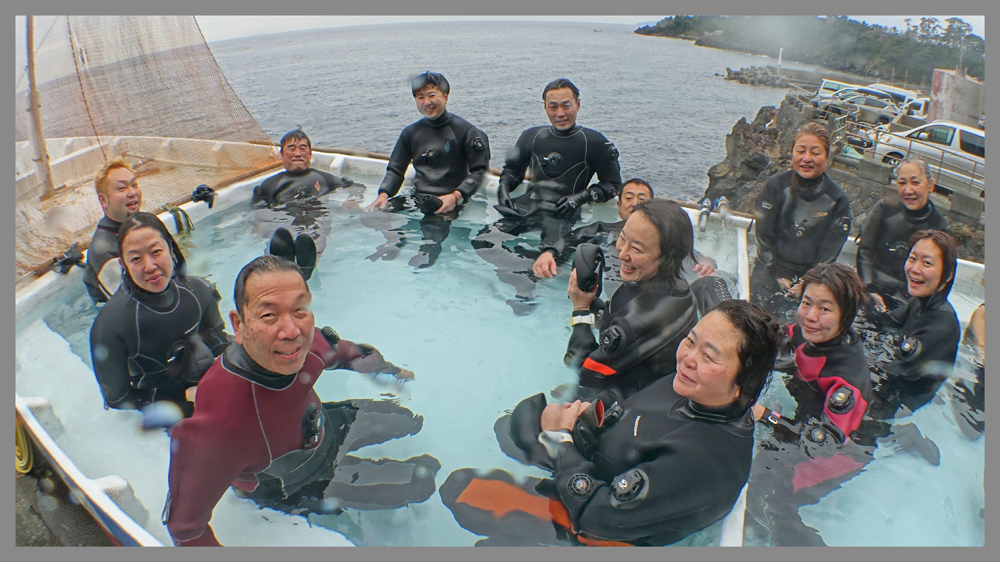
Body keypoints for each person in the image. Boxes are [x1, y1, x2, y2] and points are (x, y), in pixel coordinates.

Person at [440, 299, 782, 546]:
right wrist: (582, 418)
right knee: (512, 426)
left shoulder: (705, 459)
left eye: (708, 356)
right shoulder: (695, 388)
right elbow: (629, 408)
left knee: (459, 493)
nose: (688, 358)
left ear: (741, 386)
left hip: (608, 529)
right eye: (690, 340)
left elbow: (597, 517)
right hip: (602, 466)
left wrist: (563, 442)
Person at [164, 256, 435, 547]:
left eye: (299, 310)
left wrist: (390, 370)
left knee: (405, 418)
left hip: (324, 429)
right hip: (298, 485)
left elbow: (342, 352)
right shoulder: (221, 422)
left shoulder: (300, 345)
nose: (291, 331)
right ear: (239, 326)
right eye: (269, 316)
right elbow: (185, 529)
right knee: (421, 481)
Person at [748, 262, 875, 546]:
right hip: (808, 418)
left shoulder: (848, 380)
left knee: (769, 492)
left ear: (846, 316)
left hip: (842, 452)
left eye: (825, 309)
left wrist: (767, 415)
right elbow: (775, 334)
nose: (811, 317)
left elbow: (822, 443)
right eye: (807, 303)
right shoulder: (809, 335)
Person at [473, 78, 622, 313]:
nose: (560, 113)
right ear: (544, 107)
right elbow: (512, 170)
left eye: (566, 105)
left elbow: (613, 185)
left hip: (564, 213)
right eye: (553, 106)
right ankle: (523, 273)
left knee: (550, 255)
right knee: (482, 241)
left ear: (578, 104)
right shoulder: (531, 136)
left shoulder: (594, 142)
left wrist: (580, 198)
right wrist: (503, 190)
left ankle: (525, 287)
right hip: (528, 207)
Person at [89, 212, 229, 417]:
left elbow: (220, 344)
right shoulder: (110, 325)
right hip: (161, 403)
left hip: (207, 382)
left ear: (170, 249)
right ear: (123, 264)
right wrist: (184, 400)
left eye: (156, 252)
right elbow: (117, 398)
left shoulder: (198, 291)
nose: (150, 266)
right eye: (136, 259)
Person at [563, 199, 702, 398]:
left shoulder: (635, 323)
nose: (622, 253)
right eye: (623, 238)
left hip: (624, 400)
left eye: (636, 249)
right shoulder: (675, 287)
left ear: (668, 258)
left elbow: (584, 371)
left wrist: (580, 310)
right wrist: (592, 300)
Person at [362, 72, 491, 268]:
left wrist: (456, 196)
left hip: (447, 200)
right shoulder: (410, 133)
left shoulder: (468, 132)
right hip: (417, 196)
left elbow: (479, 172)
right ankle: (394, 240)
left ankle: (429, 247)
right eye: (420, 97)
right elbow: (396, 169)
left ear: (445, 96)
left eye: (432, 95)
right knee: (370, 214)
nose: (426, 102)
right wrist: (384, 193)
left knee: (430, 236)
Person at [532, 178, 724, 301]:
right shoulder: (603, 229)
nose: (635, 204)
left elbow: (688, 254)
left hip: (651, 297)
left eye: (642, 199)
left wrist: (707, 264)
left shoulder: (663, 237)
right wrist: (550, 253)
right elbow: (571, 238)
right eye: (629, 198)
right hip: (612, 294)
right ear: (619, 205)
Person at [751, 122, 852, 318]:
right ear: (792, 153)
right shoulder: (775, 186)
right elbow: (764, 236)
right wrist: (775, 272)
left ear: (827, 158)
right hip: (770, 266)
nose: (807, 158)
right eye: (801, 151)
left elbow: (830, 254)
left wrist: (807, 283)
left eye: (815, 152)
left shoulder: (838, 200)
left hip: (814, 276)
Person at [251, 129, 358, 279]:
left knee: (313, 237)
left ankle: (307, 268)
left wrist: (351, 200)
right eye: (292, 148)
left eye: (303, 148)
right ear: (282, 154)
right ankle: (277, 265)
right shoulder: (270, 185)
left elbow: (355, 187)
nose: (297, 153)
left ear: (310, 153)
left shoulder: (324, 179)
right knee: (277, 236)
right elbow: (257, 210)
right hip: (283, 218)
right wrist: (259, 225)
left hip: (316, 216)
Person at [873, 230, 961, 414]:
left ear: (948, 274)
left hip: (901, 404)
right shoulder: (918, 304)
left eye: (927, 263)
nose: (914, 269)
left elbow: (894, 369)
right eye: (912, 259)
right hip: (892, 384)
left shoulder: (943, 327)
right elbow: (885, 322)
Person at [856, 156, 949, 311]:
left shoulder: (940, 227)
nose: (908, 190)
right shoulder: (884, 208)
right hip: (872, 286)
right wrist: (869, 290)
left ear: (930, 185)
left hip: (909, 299)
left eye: (915, 182)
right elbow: (865, 251)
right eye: (902, 183)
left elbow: (941, 278)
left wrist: (913, 307)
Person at [83, 158, 142, 304]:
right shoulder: (104, 250)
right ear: (103, 201)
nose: (132, 192)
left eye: (134, 185)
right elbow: (130, 304)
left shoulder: (141, 227)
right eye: (122, 188)